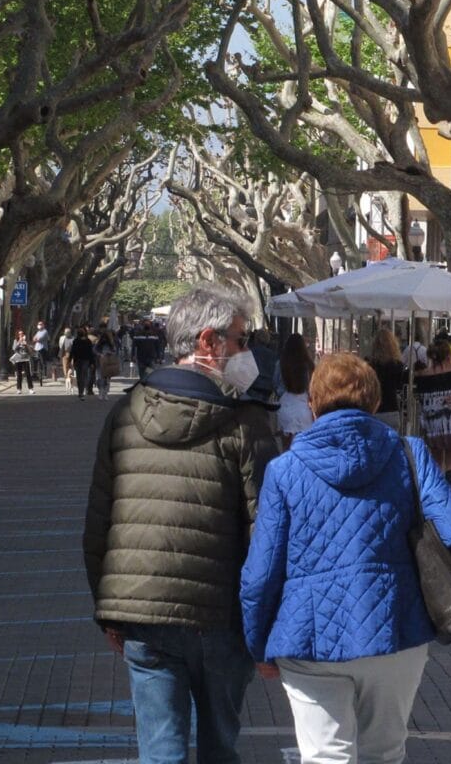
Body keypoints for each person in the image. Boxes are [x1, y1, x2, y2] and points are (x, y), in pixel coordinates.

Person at [240, 353, 451, 764]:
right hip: (395, 628)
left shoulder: (286, 469)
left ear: (313, 403)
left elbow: (260, 574)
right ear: (373, 401)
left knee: (324, 757)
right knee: (383, 754)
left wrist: (259, 646)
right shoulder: (409, 453)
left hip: (308, 636)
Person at [83, 284, 278, 764]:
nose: (246, 350)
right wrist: (267, 625)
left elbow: (98, 521)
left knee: (160, 751)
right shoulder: (245, 420)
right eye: (240, 338)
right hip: (220, 616)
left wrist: (108, 608)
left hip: (143, 616)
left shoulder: (125, 413)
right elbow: (268, 531)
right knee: (220, 747)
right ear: (208, 342)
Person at [414, 338, 451, 486]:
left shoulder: (421, 376)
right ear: (448, 355)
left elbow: (419, 398)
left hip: (433, 425)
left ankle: (437, 488)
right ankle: (450, 484)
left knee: (436, 459)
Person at [277, 333, 315, 450]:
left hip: (285, 405)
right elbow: (313, 387)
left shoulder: (281, 364)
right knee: (304, 447)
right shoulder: (309, 365)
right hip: (304, 408)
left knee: (286, 449)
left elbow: (276, 384)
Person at [368, 328, 407, 431]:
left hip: (374, 410)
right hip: (392, 409)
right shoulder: (397, 366)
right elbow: (400, 385)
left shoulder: (370, 366)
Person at [70, 327, 96, 402]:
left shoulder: (76, 341)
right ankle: (82, 390)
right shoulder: (87, 341)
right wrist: (92, 362)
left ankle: (81, 391)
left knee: (79, 376)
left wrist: (70, 360)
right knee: (84, 376)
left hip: (79, 361)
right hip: (84, 361)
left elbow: (72, 351)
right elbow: (91, 353)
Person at [94, 330, 120, 400]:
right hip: (100, 363)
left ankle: (105, 393)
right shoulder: (99, 344)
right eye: (104, 338)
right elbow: (95, 350)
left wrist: (110, 353)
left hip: (108, 363)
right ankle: (101, 392)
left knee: (107, 380)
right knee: (100, 379)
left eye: (106, 338)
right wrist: (100, 354)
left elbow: (115, 351)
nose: (104, 339)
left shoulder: (111, 344)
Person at [11, 330, 35, 395]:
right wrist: (19, 342)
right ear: (18, 335)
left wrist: (26, 344)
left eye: (22, 334)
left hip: (26, 359)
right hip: (18, 359)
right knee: (19, 374)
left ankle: (31, 388)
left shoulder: (26, 341)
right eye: (19, 334)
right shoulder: (15, 341)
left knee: (28, 374)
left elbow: (30, 351)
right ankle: (19, 389)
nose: (21, 335)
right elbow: (14, 349)